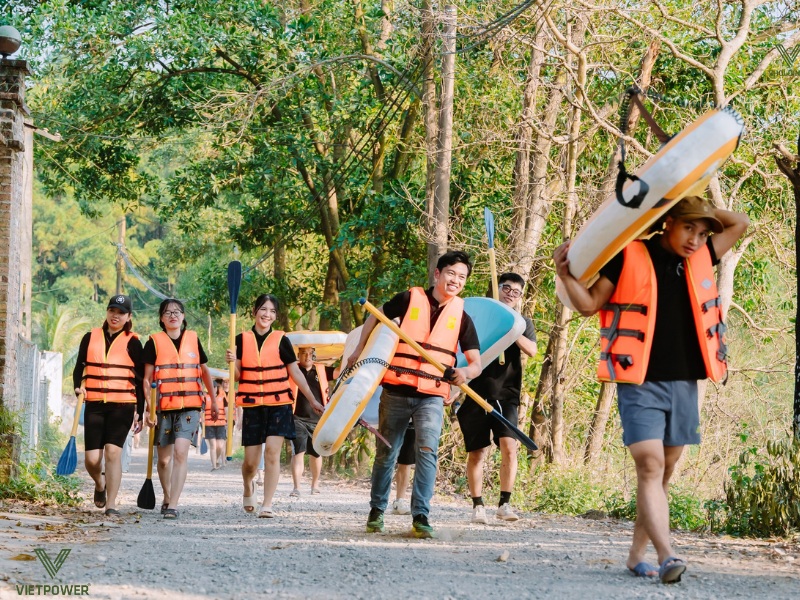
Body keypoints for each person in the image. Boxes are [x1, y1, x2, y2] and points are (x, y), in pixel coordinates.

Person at [554, 195, 749, 583]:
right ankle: (668, 554)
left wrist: (682, 191)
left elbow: (740, 222)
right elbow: (590, 304)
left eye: (701, 231)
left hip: (684, 381)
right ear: (668, 223)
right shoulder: (629, 254)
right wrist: (564, 275)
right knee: (649, 464)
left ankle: (636, 555)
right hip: (639, 380)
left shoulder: (701, 256)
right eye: (687, 227)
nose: (695, 239)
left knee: (664, 473)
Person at [346, 251, 482, 538]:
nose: (455, 280)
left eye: (462, 277)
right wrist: (358, 349)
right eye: (451, 274)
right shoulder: (409, 299)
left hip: (432, 395)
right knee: (387, 453)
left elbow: (476, 363)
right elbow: (375, 316)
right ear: (437, 273)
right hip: (396, 389)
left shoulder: (462, 316)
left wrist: (464, 375)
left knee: (427, 451)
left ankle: (421, 515)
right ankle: (376, 511)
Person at [225, 294, 323, 518]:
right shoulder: (240, 339)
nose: (267, 314)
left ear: (275, 316)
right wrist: (231, 362)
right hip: (252, 405)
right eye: (263, 309)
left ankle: (267, 504)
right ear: (254, 311)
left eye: (271, 311)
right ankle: (248, 486)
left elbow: (295, 372)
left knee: (272, 453)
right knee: (250, 463)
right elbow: (238, 376)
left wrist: (312, 399)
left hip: (279, 404)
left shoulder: (281, 340)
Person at [457, 273, 537, 524]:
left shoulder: (523, 323)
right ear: (497, 288)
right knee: (477, 453)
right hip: (474, 391)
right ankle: (477, 505)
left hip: (507, 393)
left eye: (516, 291)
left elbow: (532, 350)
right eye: (506, 288)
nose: (510, 294)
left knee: (509, 448)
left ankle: (504, 503)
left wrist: (511, 331)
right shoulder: (479, 318)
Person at [143, 299, 216, 520]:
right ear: (161, 319)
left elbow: (204, 372)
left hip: (191, 406)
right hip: (163, 406)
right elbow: (146, 380)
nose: (173, 315)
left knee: (180, 452)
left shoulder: (193, 339)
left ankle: (173, 504)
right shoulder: (153, 343)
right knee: (163, 460)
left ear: (183, 316)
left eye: (177, 312)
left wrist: (213, 400)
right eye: (167, 312)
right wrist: (149, 408)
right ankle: (167, 496)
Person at [73, 295, 144, 516]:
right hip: (94, 403)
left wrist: (140, 412)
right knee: (92, 460)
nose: (116, 315)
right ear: (107, 312)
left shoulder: (133, 342)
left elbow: (141, 381)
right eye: (112, 310)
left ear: (128, 317)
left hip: (123, 405)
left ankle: (111, 503)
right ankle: (100, 484)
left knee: (113, 453)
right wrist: (78, 386)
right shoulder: (90, 337)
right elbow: (79, 367)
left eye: (121, 312)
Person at [289, 347, 328, 496]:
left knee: (317, 453)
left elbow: (342, 371)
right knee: (298, 452)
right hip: (297, 418)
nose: (307, 356)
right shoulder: (292, 370)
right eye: (303, 353)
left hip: (318, 419)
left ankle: (315, 484)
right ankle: (296, 487)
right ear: (298, 355)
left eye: (310, 353)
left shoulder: (322, 371)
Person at [390, 426, 415, 515]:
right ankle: (377, 505)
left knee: (406, 461)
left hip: (413, 423)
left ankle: (399, 501)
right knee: (385, 460)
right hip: (391, 419)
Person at [204, 379, 228, 471]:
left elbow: (226, 410)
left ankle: (217, 460)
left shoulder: (222, 397)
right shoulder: (206, 398)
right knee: (213, 446)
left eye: (214, 387)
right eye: (210, 387)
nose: (212, 389)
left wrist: (227, 422)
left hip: (221, 424)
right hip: (209, 424)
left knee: (220, 446)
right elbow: (202, 410)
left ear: (216, 388)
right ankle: (214, 465)